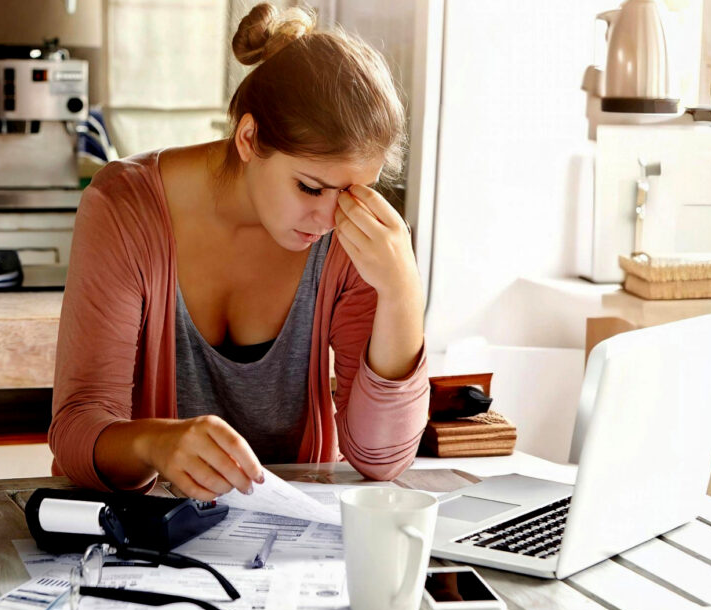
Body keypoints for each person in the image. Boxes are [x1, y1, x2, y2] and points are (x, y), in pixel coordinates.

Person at [49, 2, 429, 500]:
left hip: (297, 536)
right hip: (148, 531)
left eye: (354, 191)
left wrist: (402, 292)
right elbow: (76, 429)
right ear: (249, 138)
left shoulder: (354, 237)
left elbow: (381, 460)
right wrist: (155, 444)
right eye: (310, 187)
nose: (330, 219)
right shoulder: (125, 207)